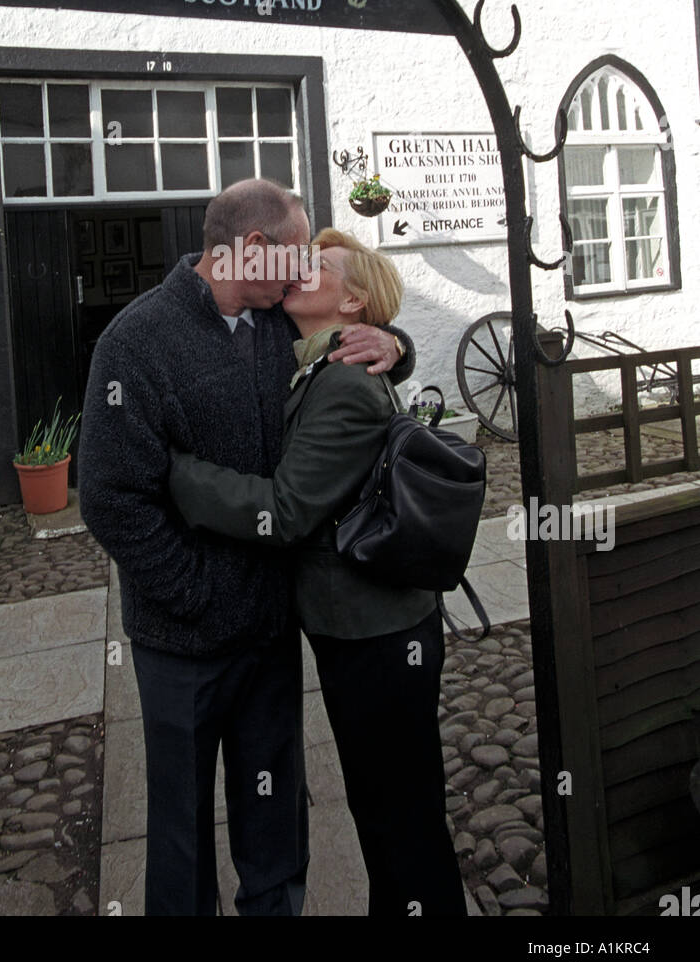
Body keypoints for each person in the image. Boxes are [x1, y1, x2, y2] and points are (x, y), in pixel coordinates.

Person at [77, 180, 414, 917]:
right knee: (181, 833)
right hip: (182, 640)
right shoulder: (135, 341)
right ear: (251, 248)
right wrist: (197, 594)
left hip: (268, 633)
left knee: (274, 822)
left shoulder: (276, 328)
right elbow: (108, 499)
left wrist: (394, 342)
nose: (302, 276)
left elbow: (344, 344)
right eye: (295, 257)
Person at [169, 227, 467, 917]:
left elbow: (289, 508)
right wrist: (397, 346)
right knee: (385, 801)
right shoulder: (314, 353)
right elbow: (220, 278)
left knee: (400, 812)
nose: (300, 268)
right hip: (363, 628)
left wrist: (181, 476)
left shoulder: (340, 384)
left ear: (354, 300)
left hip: (377, 633)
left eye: (321, 265)